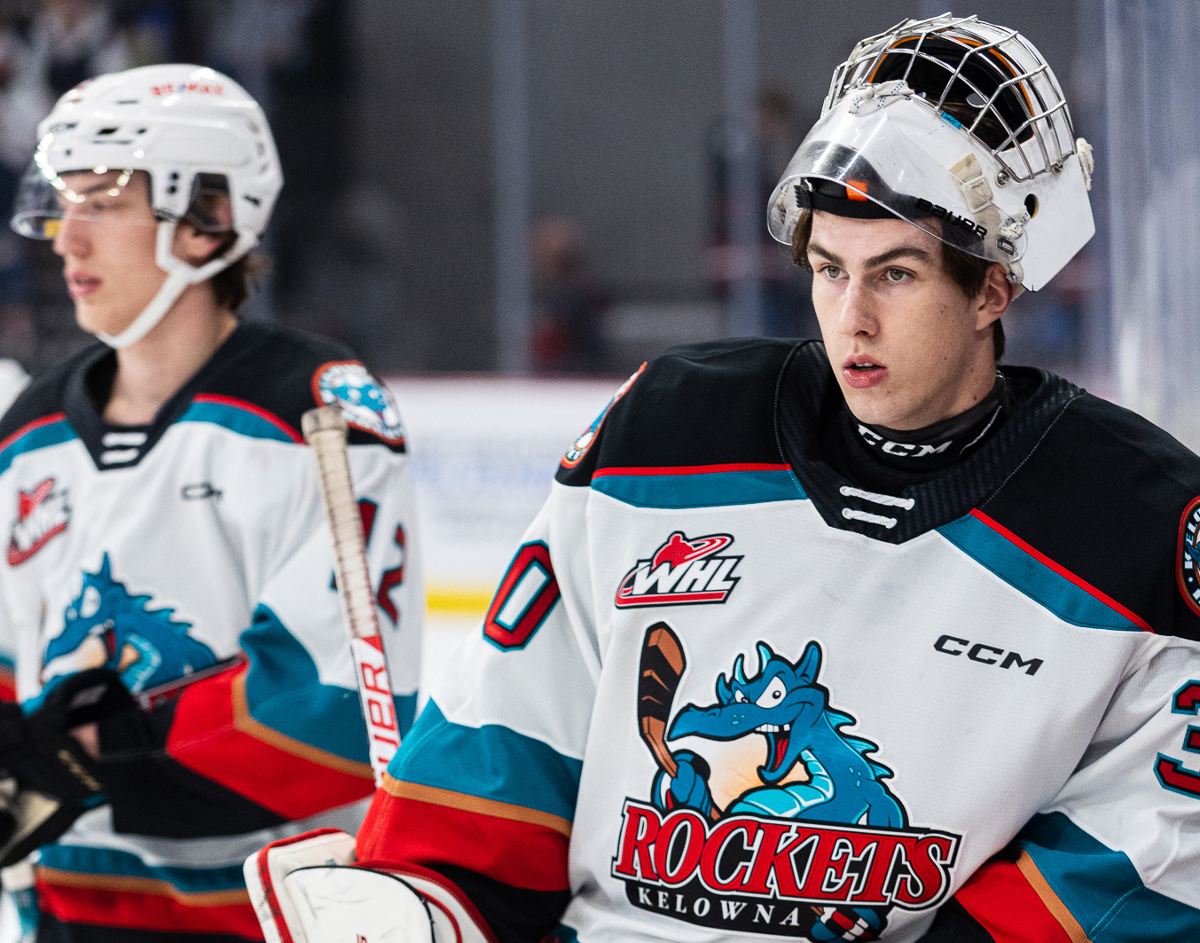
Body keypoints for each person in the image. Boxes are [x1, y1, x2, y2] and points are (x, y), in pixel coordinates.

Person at [250, 14, 1200, 943]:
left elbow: (1152, 854)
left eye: (897, 275)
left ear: (994, 285)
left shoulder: (1136, 525)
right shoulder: (670, 431)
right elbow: (508, 737)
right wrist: (424, 901)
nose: (851, 318)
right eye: (830, 268)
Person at [0, 63, 421, 942]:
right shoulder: (30, 426)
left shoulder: (316, 411)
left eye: (103, 203)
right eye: (62, 202)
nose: (65, 240)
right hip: (71, 909)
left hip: (264, 911)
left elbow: (334, 703)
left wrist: (83, 756)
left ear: (207, 220)